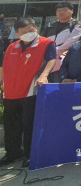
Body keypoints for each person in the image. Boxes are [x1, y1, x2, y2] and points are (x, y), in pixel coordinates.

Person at [0, 17, 56, 168]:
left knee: (29, 124)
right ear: (17, 34)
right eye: (24, 32)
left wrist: (44, 75)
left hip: (30, 90)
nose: (29, 34)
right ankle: (12, 153)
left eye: (31, 30)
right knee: (11, 124)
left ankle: (30, 154)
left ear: (36, 28)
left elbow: (51, 60)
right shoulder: (12, 47)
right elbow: (3, 67)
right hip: (10, 92)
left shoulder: (46, 43)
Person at [42, 1, 81, 82]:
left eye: (64, 10)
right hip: (48, 61)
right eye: (59, 11)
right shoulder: (50, 26)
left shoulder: (77, 25)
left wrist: (53, 52)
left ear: (72, 11)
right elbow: (42, 40)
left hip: (65, 61)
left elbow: (71, 41)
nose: (61, 13)